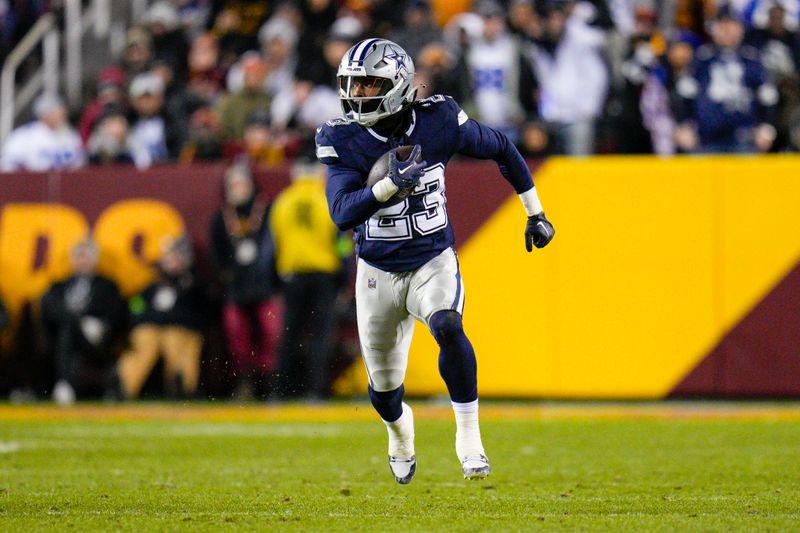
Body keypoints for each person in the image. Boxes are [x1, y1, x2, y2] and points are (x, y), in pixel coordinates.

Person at [315, 39, 554, 484]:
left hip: (431, 259)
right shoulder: (341, 137)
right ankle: (400, 432)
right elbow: (342, 212)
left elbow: (502, 147)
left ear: (397, 85)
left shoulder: (438, 120)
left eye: (369, 84)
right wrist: (389, 187)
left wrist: (535, 211)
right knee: (384, 394)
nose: (358, 95)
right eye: (353, 85)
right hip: (377, 273)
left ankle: (469, 436)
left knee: (447, 324)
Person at [269, 155, 351, 400]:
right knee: (320, 335)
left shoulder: (282, 202)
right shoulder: (325, 198)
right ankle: (315, 390)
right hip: (324, 276)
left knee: (288, 335)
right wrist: (345, 277)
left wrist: (274, 281)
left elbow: (272, 246)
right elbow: (341, 244)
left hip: (292, 276)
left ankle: (280, 390)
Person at [209, 163, 281, 398]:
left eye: (240, 183)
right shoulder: (221, 217)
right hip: (236, 287)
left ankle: (269, 383)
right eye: (232, 184)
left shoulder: (266, 210)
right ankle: (245, 381)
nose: (236, 188)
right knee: (237, 336)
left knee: (272, 332)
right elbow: (216, 253)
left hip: (265, 285)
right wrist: (225, 274)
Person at [117, 235, 207, 399]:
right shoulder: (152, 284)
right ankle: (123, 386)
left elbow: (199, 313)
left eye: (177, 257)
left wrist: (165, 318)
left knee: (175, 340)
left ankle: (182, 387)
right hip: (152, 328)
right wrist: (142, 319)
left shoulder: (194, 284)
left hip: (181, 330)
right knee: (145, 340)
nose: (172, 261)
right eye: (169, 257)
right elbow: (135, 306)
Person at [40, 239, 126, 405]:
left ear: (95, 259)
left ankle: (64, 384)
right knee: (67, 328)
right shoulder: (60, 285)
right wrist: (81, 321)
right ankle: (64, 383)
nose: (82, 261)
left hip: (97, 338)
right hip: (64, 335)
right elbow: (49, 306)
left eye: (86, 256)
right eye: (79, 256)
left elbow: (116, 313)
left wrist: (102, 326)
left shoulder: (107, 285)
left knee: (68, 328)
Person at [0, 94, 85, 172]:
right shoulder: (23, 136)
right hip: (31, 184)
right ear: (45, 114)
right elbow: (7, 164)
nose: (63, 116)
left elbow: (79, 163)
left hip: (64, 184)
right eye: (58, 112)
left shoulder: (70, 135)